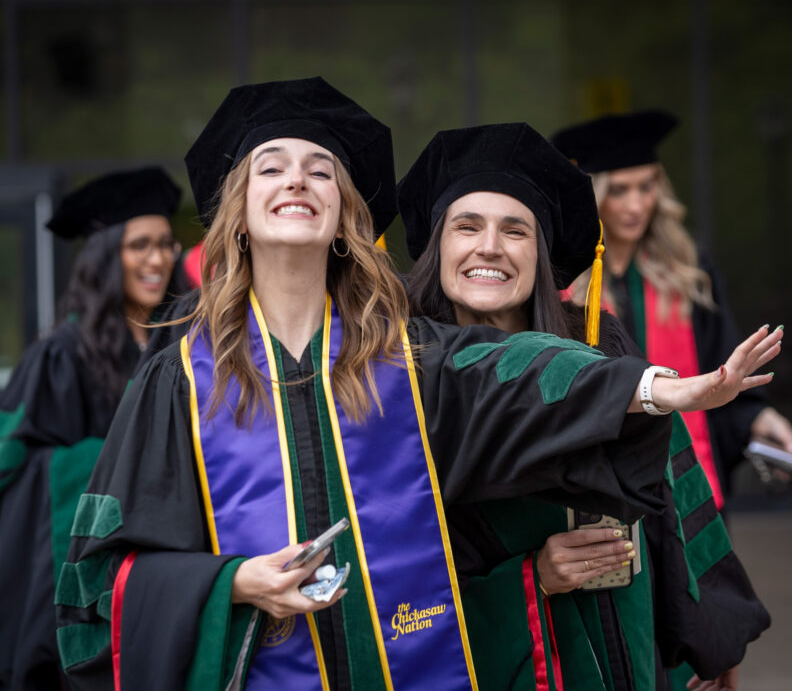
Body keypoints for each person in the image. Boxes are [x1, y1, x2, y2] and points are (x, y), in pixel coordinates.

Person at [55, 79, 778, 691]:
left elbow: (515, 372)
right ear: (237, 215)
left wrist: (655, 389)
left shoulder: (411, 362)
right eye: (271, 168)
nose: (298, 181)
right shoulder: (178, 381)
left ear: (346, 219)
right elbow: (96, 587)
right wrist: (233, 585)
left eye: (319, 170)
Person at [398, 123, 773, 691]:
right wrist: (534, 577)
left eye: (516, 230)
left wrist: (711, 637)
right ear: (438, 245)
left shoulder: (602, 344)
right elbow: (399, 564)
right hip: (507, 652)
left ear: (542, 255)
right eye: (467, 226)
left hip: (626, 632)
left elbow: (674, 495)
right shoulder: (401, 368)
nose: (490, 247)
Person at [552, 110, 792, 508]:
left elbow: (720, 368)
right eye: (619, 190)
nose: (636, 205)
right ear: (595, 195)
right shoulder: (563, 282)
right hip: (602, 488)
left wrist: (764, 422)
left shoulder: (688, 270)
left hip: (689, 483)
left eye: (646, 187)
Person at [0, 167, 182, 690]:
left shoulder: (186, 344)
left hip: (164, 561)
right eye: (139, 245)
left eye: (166, 244)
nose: (157, 259)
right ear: (106, 259)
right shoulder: (62, 354)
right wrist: (110, 463)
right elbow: (17, 463)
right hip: (84, 574)